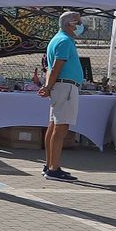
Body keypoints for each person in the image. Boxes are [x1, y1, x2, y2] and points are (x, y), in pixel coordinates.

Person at [37, 11, 84, 182]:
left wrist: (48, 86)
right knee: (61, 128)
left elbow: (51, 67)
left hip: (61, 87)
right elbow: (56, 66)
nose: (80, 25)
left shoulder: (58, 39)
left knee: (53, 126)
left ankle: (50, 164)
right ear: (69, 24)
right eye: (77, 22)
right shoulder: (64, 41)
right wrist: (48, 86)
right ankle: (53, 168)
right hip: (66, 87)